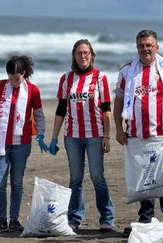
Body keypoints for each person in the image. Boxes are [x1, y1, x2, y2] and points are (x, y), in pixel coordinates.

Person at [114, 29, 163, 236]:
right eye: (141, 46)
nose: (145, 49)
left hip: (161, 134)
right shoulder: (127, 71)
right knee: (143, 175)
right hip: (135, 134)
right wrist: (119, 129)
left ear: (156, 47)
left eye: (149, 45)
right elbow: (118, 101)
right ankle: (146, 219)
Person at [48, 39, 115, 232]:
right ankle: (75, 218)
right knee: (75, 178)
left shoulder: (100, 78)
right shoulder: (66, 79)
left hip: (95, 136)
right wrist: (53, 138)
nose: (83, 56)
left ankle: (107, 218)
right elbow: (61, 110)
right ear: (74, 56)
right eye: (79, 53)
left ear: (92, 55)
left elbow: (106, 110)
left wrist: (107, 136)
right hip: (72, 136)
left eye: (86, 52)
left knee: (97, 176)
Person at [0, 55, 48, 233]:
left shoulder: (33, 90)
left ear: (23, 74)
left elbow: (38, 114)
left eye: (17, 78)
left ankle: (14, 220)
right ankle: (1, 220)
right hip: (0, 142)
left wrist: (41, 134)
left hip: (21, 143)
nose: (14, 82)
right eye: (11, 78)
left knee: (17, 182)